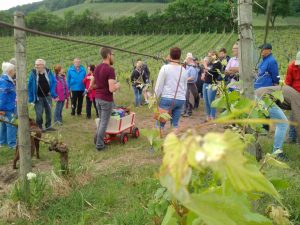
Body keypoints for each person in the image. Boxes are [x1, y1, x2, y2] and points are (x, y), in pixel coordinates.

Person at [255, 85, 300, 160]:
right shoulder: (297, 100)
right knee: (283, 124)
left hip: (256, 94)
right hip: (264, 97)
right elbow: (298, 122)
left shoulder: (295, 94)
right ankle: (277, 153)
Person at [91, 47, 120, 151]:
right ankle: (99, 145)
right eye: (113, 55)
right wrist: (117, 85)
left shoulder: (97, 67)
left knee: (101, 121)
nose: (113, 57)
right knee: (104, 122)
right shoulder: (110, 69)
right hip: (106, 99)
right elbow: (111, 89)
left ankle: (99, 139)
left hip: (97, 98)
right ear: (108, 55)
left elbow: (91, 84)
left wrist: (96, 88)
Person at [155, 47, 188, 134]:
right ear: (180, 57)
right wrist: (182, 97)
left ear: (170, 56)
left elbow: (159, 85)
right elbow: (185, 88)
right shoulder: (184, 70)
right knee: (175, 125)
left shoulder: (165, 68)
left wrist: (155, 97)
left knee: (160, 124)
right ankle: (172, 145)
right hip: (180, 99)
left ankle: (156, 146)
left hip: (167, 99)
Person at [28, 59, 58, 131]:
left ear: (43, 65)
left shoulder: (48, 72)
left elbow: (54, 82)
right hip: (38, 98)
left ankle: (48, 126)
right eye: (36, 64)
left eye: (38, 65)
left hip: (48, 96)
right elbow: (29, 86)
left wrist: (52, 92)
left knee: (49, 112)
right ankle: (39, 128)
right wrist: (31, 98)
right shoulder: (33, 73)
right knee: (39, 114)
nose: (36, 66)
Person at [0, 62, 17, 149]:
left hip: (8, 106)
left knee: (3, 124)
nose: (14, 72)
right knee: (11, 125)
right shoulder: (5, 82)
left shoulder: (6, 79)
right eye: (14, 70)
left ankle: (2, 142)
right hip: (7, 108)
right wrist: (1, 109)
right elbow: (2, 96)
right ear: (10, 71)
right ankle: (12, 144)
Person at [202, 51, 222, 121]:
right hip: (206, 83)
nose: (209, 57)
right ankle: (208, 117)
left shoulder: (218, 63)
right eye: (208, 56)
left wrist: (205, 66)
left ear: (215, 56)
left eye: (210, 56)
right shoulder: (210, 63)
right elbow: (206, 71)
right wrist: (204, 74)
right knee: (206, 100)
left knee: (211, 100)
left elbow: (213, 72)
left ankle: (212, 117)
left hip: (212, 84)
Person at [285, 51, 300, 143]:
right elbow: (288, 83)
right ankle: (291, 137)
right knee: (294, 116)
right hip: (294, 94)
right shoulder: (291, 66)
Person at [182, 53, 199, 117]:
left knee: (189, 98)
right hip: (188, 84)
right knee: (186, 98)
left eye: (187, 59)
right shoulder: (188, 66)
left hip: (191, 85)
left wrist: (185, 79)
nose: (186, 60)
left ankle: (189, 112)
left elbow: (192, 77)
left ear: (190, 59)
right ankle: (185, 111)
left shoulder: (192, 67)